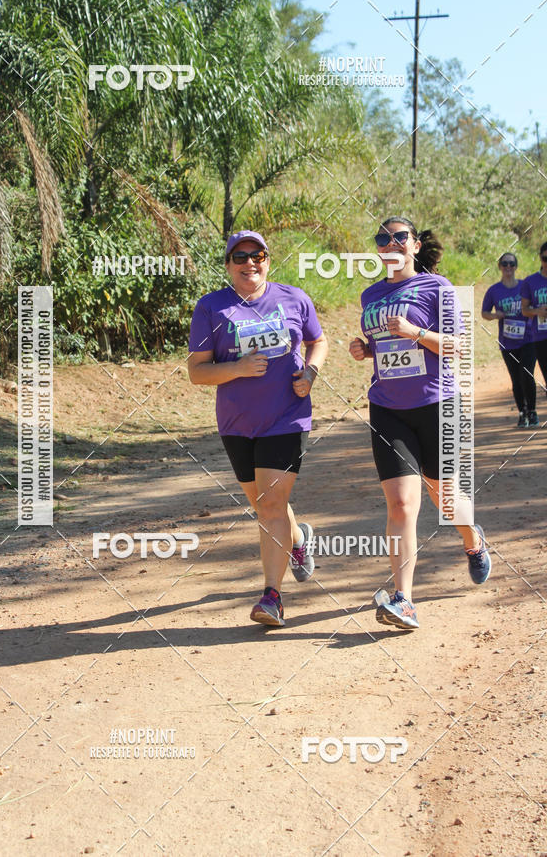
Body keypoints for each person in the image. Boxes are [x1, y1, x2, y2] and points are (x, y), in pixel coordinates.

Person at [349, 216, 491, 631]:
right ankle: (404, 600)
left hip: (437, 404)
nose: (390, 243)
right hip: (387, 407)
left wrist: (415, 332)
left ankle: (473, 541)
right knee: (401, 503)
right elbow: (381, 346)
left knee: (444, 499)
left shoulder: (437, 288)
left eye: (399, 237)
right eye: (382, 238)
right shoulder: (370, 294)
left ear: (413, 245)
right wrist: (365, 349)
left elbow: (459, 346)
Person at [188, 230, 328, 627]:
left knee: (269, 505)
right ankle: (298, 539)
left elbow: (319, 341)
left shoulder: (294, 298)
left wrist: (311, 373)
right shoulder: (212, 308)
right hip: (237, 422)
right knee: (264, 504)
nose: (250, 263)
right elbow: (197, 372)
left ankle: (272, 597)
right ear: (228, 264)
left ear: (268, 259)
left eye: (258, 255)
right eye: (240, 256)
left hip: (287, 416)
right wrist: (237, 368)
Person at [481, 253, 537, 427]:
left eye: (511, 264)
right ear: (499, 266)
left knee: (526, 374)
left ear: (516, 266)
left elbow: (533, 306)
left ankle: (532, 412)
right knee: (516, 379)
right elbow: (484, 313)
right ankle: (522, 413)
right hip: (507, 342)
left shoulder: (524, 286)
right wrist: (494, 315)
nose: (508, 267)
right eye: (504, 263)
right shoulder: (494, 290)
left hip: (528, 339)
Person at [521, 241, 547, 399]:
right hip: (541, 336)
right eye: (545, 259)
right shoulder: (530, 282)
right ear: (540, 258)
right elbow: (524, 310)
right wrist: (538, 311)